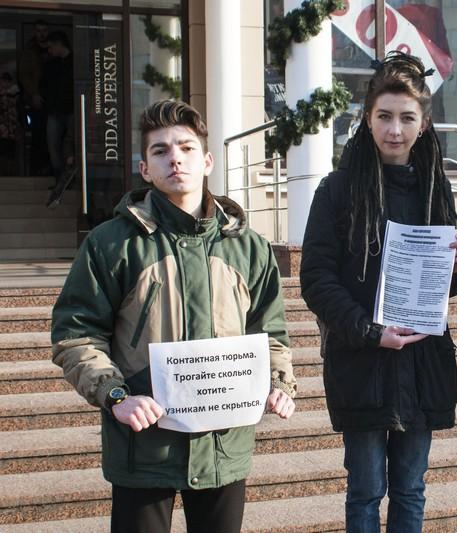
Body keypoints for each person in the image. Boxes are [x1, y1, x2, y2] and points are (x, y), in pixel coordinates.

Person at [51, 100, 298, 533]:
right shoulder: (112, 244)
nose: (175, 159)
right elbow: (77, 334)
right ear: (145, 169)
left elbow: (269, 332)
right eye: (160, 150)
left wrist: (277, 383)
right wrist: (116, 396)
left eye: (186, 148)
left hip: (223, 444)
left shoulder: (249, 247)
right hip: (143, 446)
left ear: (207, 161)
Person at [299, 51, 457, 532]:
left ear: (424, 123)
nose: (395, 130)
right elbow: (316, 279)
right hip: (363, 365)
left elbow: (443, 287)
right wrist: (370, 331)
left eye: (407, 118)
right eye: (385, 116)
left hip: (421, 363)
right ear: (367, 118)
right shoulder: (337, 190)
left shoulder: (435, 188)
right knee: (366, 490)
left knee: (411, 490)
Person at [42, 30, 76, 208]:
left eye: (51, 47)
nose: (49, 51)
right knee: (53, 146)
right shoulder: (51, 65)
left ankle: (69, 180)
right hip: (55, 110)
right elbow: (45, 86)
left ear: (59, 44)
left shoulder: (75, 63)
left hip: (71, 110)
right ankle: (59, 180)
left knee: (70, 146)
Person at [18, 19, 50, 176]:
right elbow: (24, 75)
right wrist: (34, 94)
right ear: (34, 32)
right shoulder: (30, 50)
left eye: (44, 30)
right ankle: (36, 171)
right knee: (38, 136)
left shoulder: (52, 48)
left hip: (52, 100)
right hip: (36, 99)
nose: (42, 34)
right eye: (39, 31)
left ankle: (49, 170)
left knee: (52, 137)